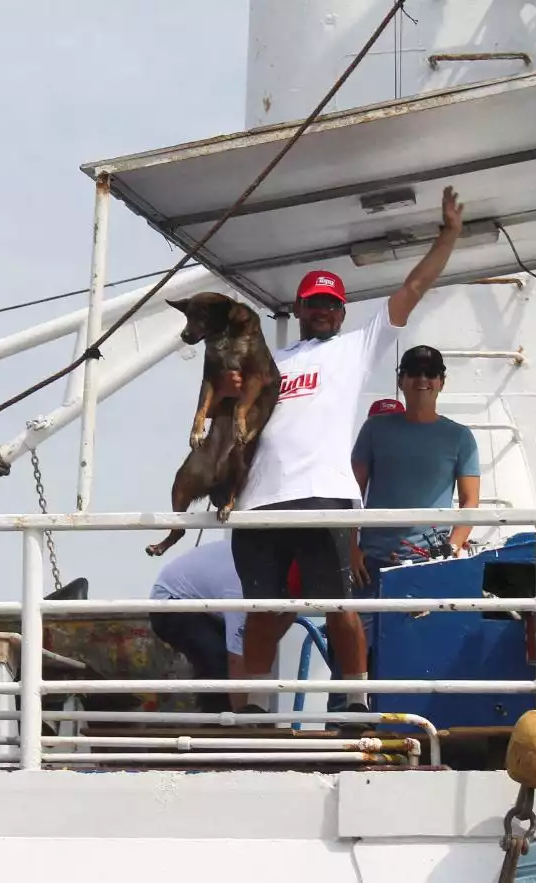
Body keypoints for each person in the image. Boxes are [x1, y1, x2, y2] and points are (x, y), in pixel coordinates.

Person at [224, 185, 465, 727]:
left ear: (342, 310)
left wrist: (447, 234)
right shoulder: (272, 359)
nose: (325, 311)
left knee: (339, 605)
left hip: (325, 496)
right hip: (262, 501)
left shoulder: (356, 347)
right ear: (300, 308)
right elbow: (232, 411)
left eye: (333, 304)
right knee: (264, 610)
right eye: (316, 303)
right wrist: (235, 386)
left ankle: (354, 706)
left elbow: (414, 287)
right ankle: (260, 715)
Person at [326, 345, 482, 711]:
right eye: (413, 372)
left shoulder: (460, 437)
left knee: (416, 650)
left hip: (427, 564)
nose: (422, 380)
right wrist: (351, 547)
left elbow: (470, 502)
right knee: (352, 643)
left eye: (430, 373)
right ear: (401, 380)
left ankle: (411, 723)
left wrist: (451, 549)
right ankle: (347, 720)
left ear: (442, 382)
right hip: (371, 562)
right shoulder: (376, 429)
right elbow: (352, 492)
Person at [147, 540, 250, 714]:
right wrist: (241, 715)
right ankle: (219, 726)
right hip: (170, 601)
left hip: (205, 602)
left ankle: (230, 719)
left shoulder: (258, 556)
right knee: (216, 657)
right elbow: (236, 657)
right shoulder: (239, 588)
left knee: (230, 652)